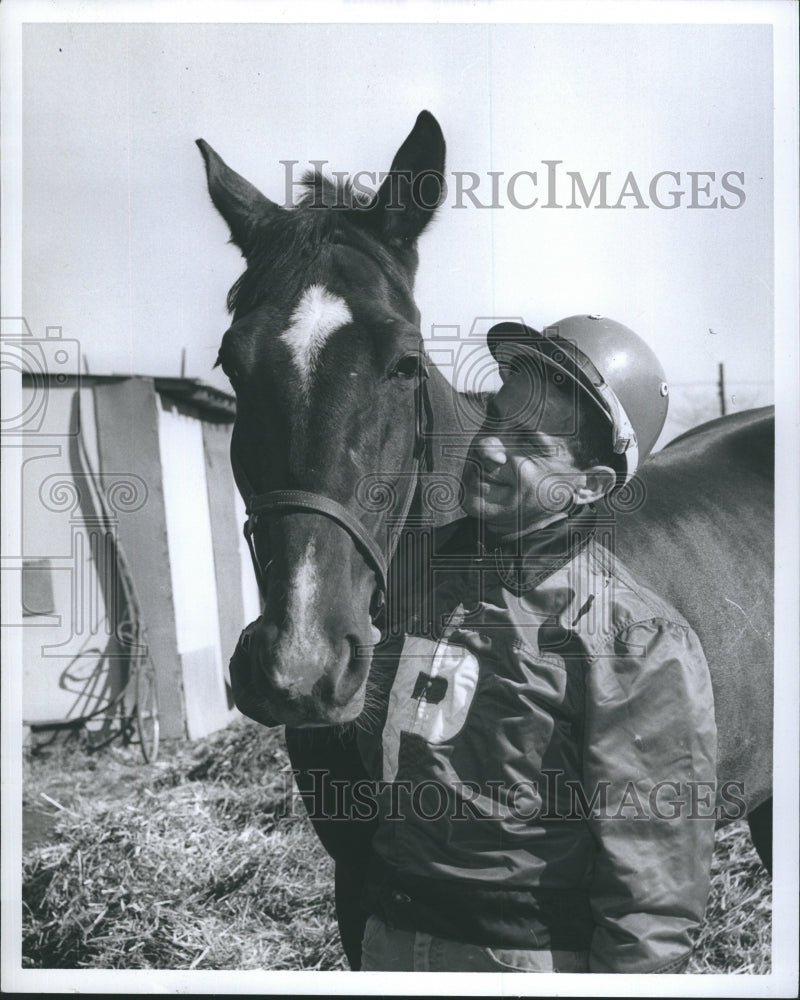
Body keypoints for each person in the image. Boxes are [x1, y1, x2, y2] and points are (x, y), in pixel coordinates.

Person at [353, 315, 718, 973]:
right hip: (389, 944)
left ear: (591, 486)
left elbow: (654, 894)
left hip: (519, 964)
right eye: (494, 421)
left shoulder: (635, 640)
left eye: (528, 444)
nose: (490, 448)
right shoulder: (407, 573)